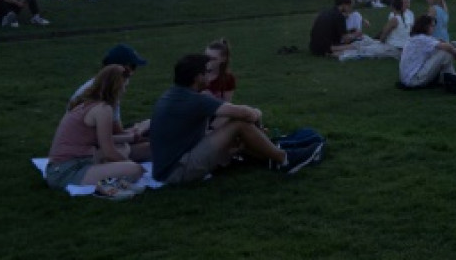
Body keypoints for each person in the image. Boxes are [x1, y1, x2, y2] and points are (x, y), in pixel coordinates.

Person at [150, 53, 322, 185]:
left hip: (170, 165)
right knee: (239, 124)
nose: (209, 76)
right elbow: (245, 114)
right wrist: (256, 114)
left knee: (229, 123)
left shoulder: (174, 94)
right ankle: (285, 160)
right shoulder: (195, 99)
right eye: (206, 72)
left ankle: (269, 155)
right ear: (197, 77)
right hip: (176, 171)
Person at [45, 65, 145, 198]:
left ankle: (113, 179)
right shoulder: (103, 109)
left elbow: (103, 139)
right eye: (124, 87)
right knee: (135, 170)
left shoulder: (88, 103)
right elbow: (109, 151)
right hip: (66, 171)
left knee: (123, 147)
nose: (125, 91)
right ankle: (105, 187)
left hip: (71, 162)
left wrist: (130, 138)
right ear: (116, 88)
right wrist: (129, 163)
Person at [70, 44, 152, 161]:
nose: (132, 74)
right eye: (132, 68)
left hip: (96, 141)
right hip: (89, 150)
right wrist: (135, 134)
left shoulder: (95, 86)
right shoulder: (105, 99)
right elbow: (114, 135)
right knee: (153, 148)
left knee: (148, 124)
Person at [398, 14, 456, 87]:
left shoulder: (416, 38)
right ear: (425, 26)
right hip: (413, 80)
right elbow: (445, 46)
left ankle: (452, 78)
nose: (434, 28)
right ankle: (453, 79)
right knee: (445, 53)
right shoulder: (421, 38)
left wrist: (445, 44)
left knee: (442, 52)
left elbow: (439, 43)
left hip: (408, 78)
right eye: (432, 26)